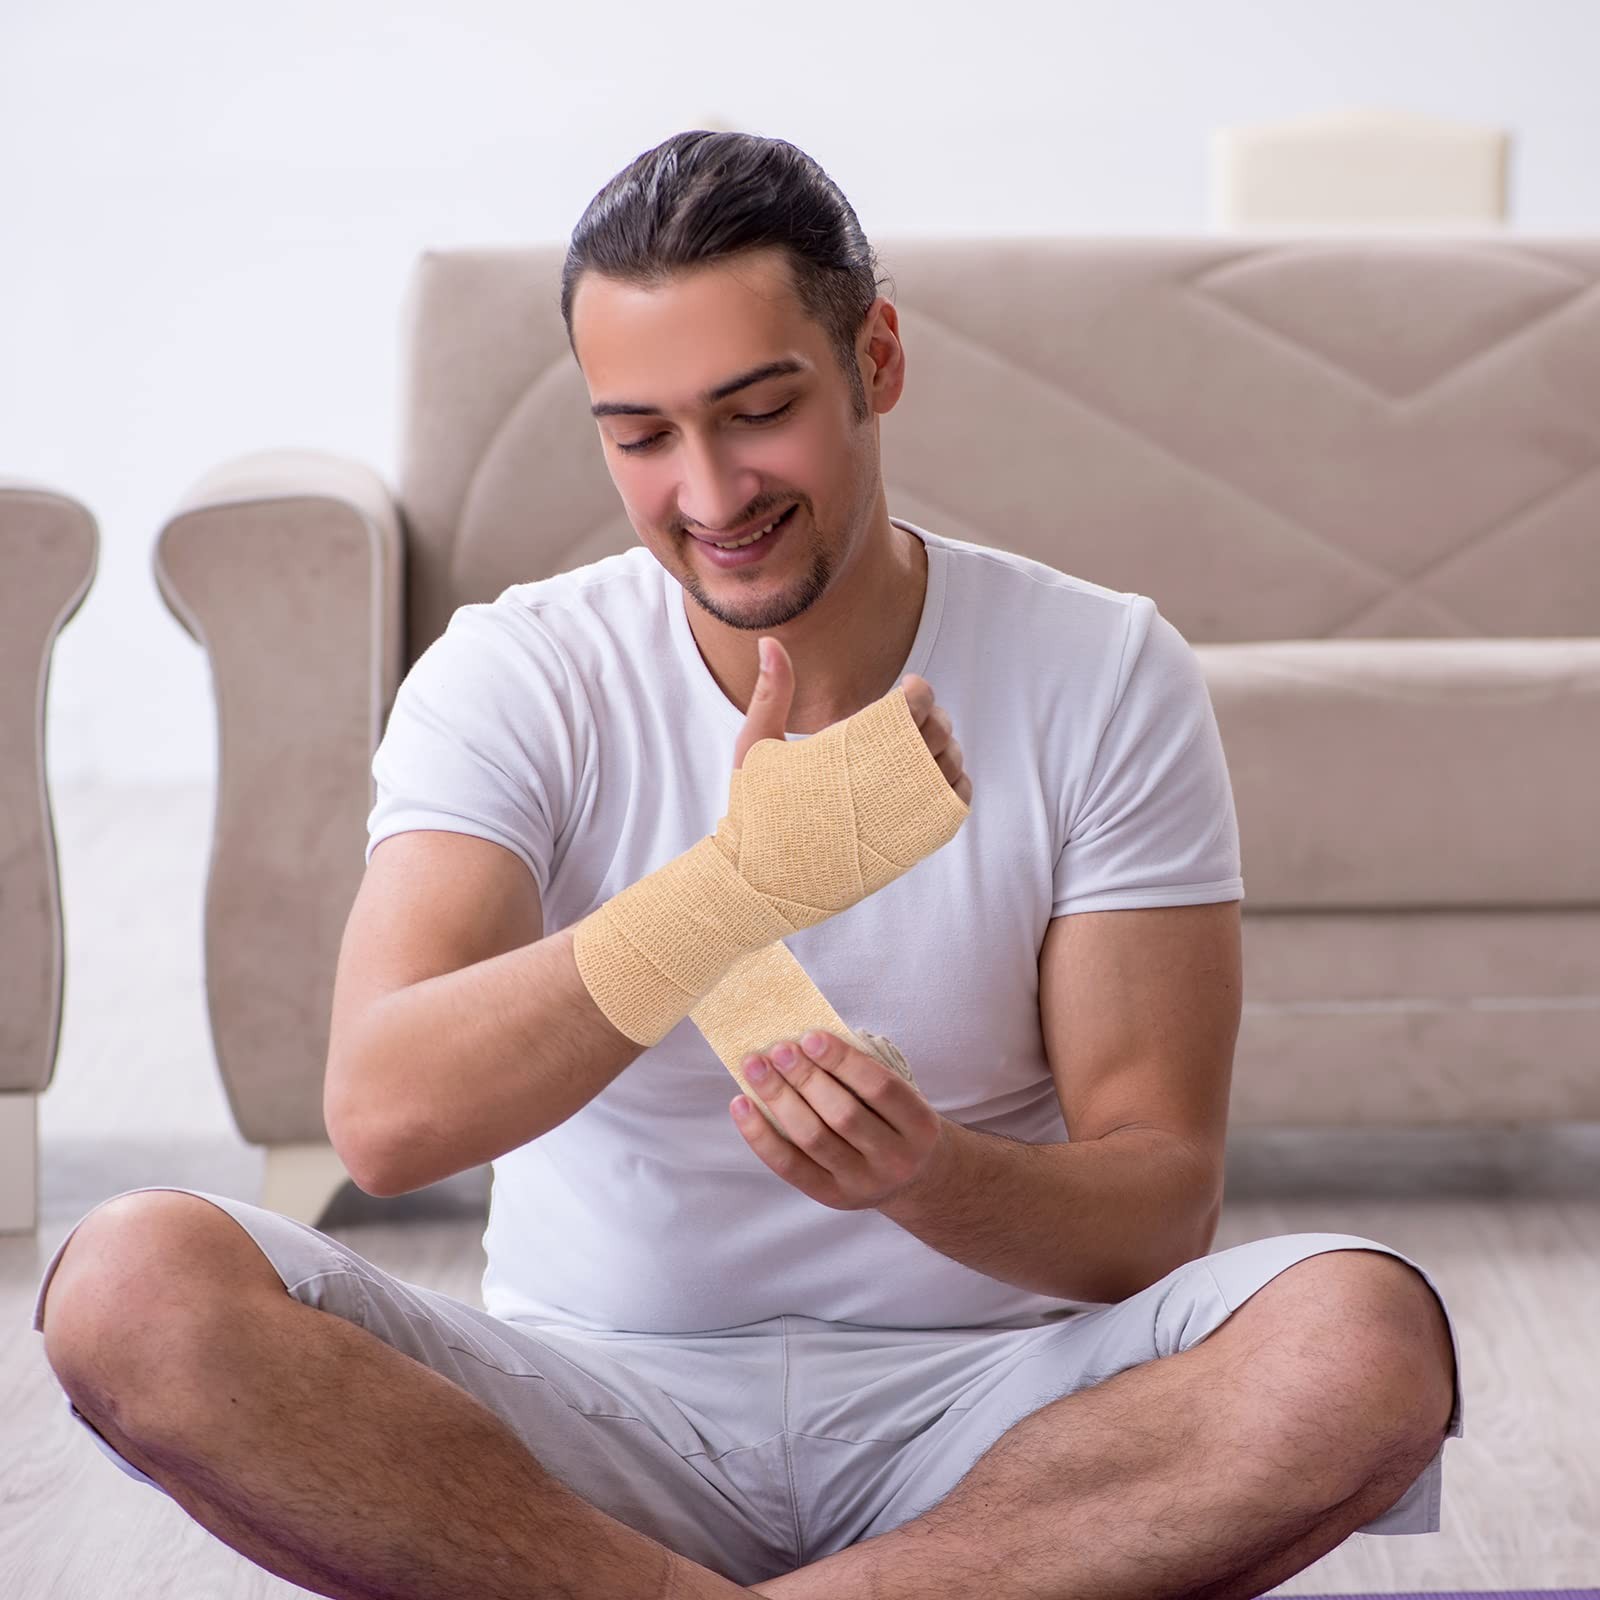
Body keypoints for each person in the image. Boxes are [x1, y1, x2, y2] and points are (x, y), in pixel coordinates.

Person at [34, 130, 1463, 1600]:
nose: (710, 493)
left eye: (758, 413)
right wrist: (735, 890)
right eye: (641, 436)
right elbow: (386, 1121)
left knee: (1360, 1339)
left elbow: (1155, 1215)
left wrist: (929, 1178)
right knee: (133, 1281)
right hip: (586, 1426)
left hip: (996, 1423)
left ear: (876, 361)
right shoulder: (520, 674)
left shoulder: (1100, 670)